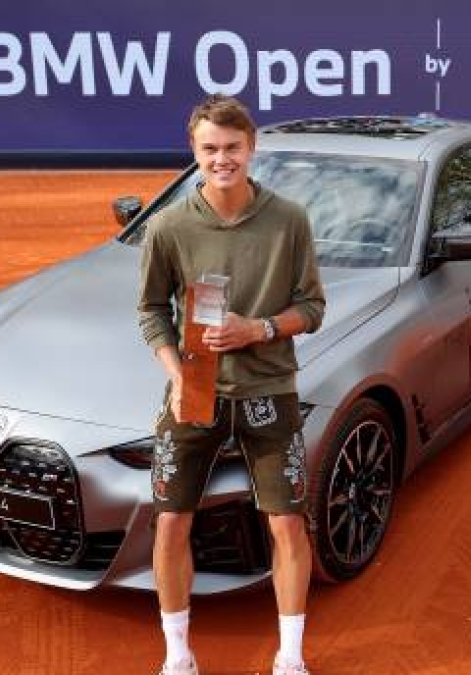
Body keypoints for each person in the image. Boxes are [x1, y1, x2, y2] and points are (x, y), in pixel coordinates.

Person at [137, 94, 325, 675]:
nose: (223, 160)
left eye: (233, 148)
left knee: (289, 523)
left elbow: (312, 307)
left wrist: (257, 329)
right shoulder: (166, 226)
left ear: (251, 148)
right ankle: (178, 656)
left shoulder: (289, 219)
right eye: (210, 149)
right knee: (170, 521)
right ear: (194, 152)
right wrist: (174, 374)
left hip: (270, 391)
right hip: (193, 393)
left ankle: (290, 657)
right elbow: (151, 312)